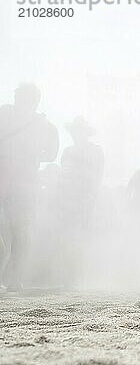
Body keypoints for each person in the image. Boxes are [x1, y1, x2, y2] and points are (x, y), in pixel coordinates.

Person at [0, 83, 59, 291]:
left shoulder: (6, 113)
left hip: (20, 178)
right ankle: (14, 277)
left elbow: (51, 154)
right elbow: (51, 154)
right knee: (20, 229)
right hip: (22, 177)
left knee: (20, 229)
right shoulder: (44, 125)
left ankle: (14, 276)